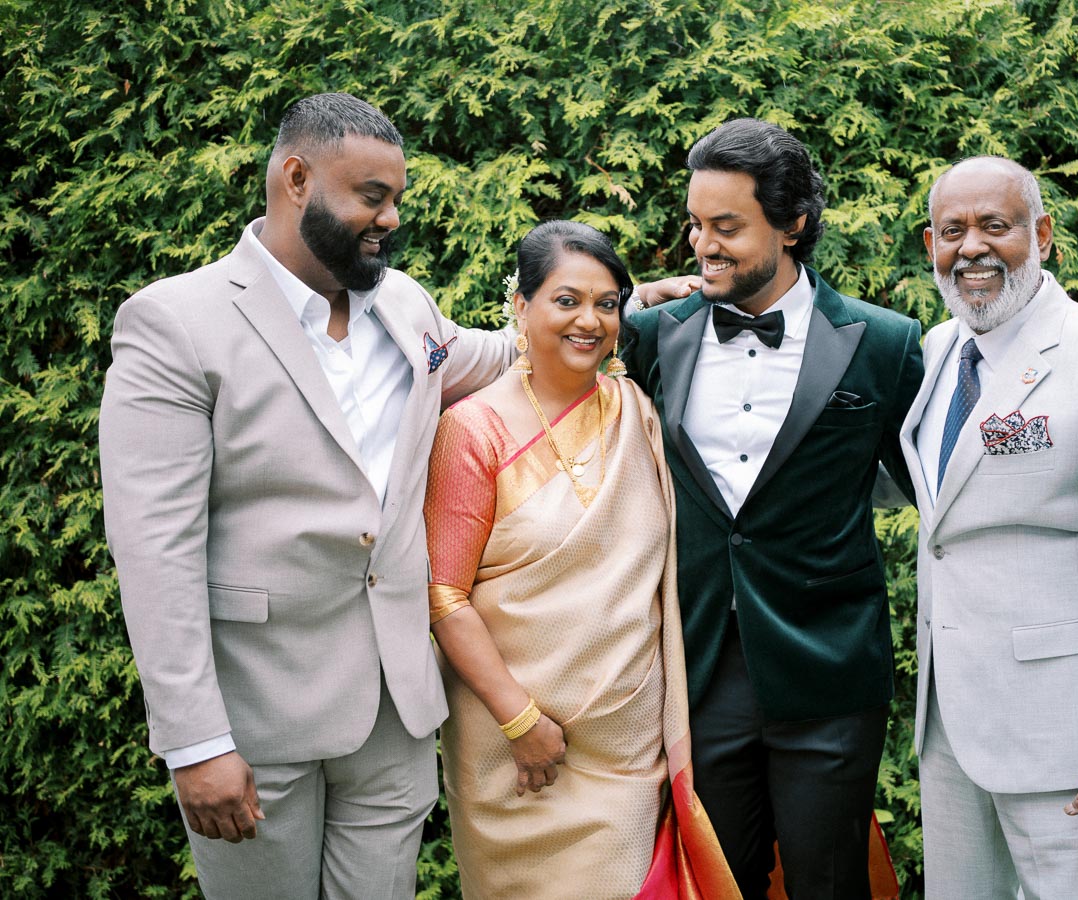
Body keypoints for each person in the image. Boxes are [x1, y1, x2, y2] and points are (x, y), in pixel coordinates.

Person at [98, 92, 516, 897]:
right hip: (257, 720)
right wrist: (193, 742)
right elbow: (155, 550)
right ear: (297, 178)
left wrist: (623, 307)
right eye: (372, 196)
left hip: (396, 713)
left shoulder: (405, 304)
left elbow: (502, 357)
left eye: (396, 198)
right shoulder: (173, 322)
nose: (391, 217)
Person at [623, 118, 924, 899]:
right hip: (701, 667)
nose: (702, 244)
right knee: (718, 888)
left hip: (828, 672)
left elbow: (934, 488)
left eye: (727, 226)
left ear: (792, 224)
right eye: (696, 224)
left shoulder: (886, 345)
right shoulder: (653, 337)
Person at [898, 155, 1078, 897]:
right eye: (950, 230)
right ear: (928, 245)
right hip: (950, 740)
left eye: (994, 227)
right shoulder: (937, 353)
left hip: (1074, 755)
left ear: (1044, 235)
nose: (971, 248)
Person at [424, 220, 737, 900]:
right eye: (566, 300)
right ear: (520, 305)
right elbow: (443, 596)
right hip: (516, 754)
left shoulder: (637, 412)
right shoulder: (472, 429)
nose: (589, 321)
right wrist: (522, 722)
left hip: (627, 753)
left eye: (607, 303)